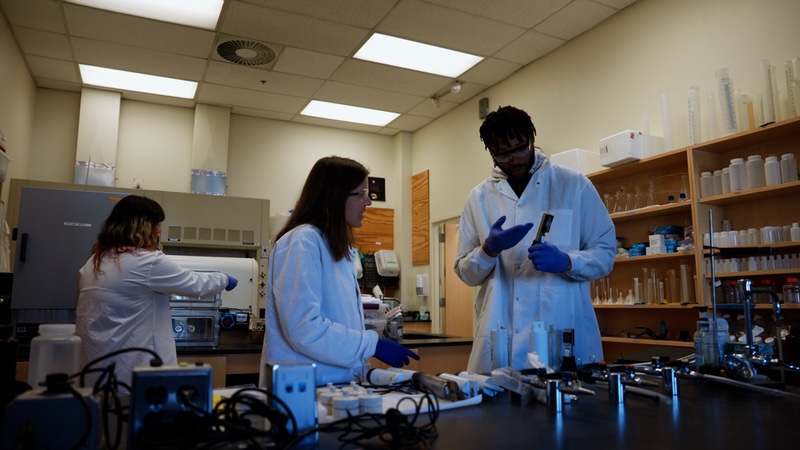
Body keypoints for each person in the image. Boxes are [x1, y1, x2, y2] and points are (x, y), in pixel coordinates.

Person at [454, 106, 616, 374]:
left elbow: (606, 253)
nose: (514, 159)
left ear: (532, 138)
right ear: (490, 151)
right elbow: (465, 272)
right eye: (503, 154)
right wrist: (488, 250)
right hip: (500, 335)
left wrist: (567, 261)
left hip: (561, 329)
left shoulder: (574, 185)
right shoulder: (478, 198)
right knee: (498, 398)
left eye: (521, 148)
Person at [259, 156, 419, 387]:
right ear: (334, 197)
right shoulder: (302, 241)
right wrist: (370, 344)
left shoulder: (335, 247)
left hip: (333, 384)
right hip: (302, 386)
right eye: (361, 194)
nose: (368, 202)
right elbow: (304, 328)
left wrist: (366, 368)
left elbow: (337, 321)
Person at [76, 195, 238, 386]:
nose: (159, 230)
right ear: (142, 226)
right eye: (156, 225)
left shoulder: (93, 262)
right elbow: (195, 283)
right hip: (136, 373)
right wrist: (223, 279)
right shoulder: (147, 261)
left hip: (96, 372)